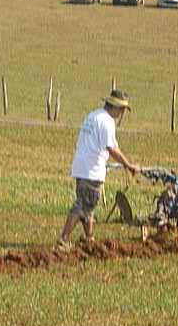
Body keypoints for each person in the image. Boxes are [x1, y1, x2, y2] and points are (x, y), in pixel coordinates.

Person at [56, 89, 140, 250]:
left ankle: (89, 238)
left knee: (89, 206)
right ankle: (64, 239)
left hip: (81, 167)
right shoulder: (107, 122)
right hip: (92, 170)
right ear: (115, 107)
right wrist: (128, 165)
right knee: (82, 205)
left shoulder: (93, 116)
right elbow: (112, 149)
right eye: (122, 110)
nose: (122, 113)